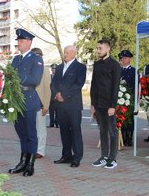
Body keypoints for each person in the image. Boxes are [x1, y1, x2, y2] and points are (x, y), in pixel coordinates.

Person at [9, 28, 44, 177]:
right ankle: (22, 162)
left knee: (31, 134)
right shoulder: (16, 59)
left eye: (22, 41)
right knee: (22, 133)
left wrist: (16, 78)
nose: (19, 43)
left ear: (29, 42)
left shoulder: (36, 59)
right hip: (16, 100)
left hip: (28, 100)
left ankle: (30, 165)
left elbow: (35, 79)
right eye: (18, 40)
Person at [51, 45, 86, 168]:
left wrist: (64, 95)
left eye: (66, 52)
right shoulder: (60, 67)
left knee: (75, 131)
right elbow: (53, 83)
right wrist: (56, 94)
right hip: (61, 106)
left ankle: (76, 158)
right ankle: (66, 156)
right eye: (64, 52)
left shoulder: (80, 67)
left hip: (73, 105)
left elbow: (78, 85)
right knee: (64, 131)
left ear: (73, 54)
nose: (64, 54)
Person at [90, 39, 121, 169]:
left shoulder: (115, 65)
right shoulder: (96, 65)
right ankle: (103, 156)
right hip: (98, 104)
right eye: (97, 48)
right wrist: (92, 104)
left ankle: (112, 158)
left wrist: (113, 106)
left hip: (109, 105)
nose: (98, 51)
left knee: (112, 131)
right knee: (102, 131)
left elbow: (115, 86)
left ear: (108, 49)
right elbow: (93, 85)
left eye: (100, 48)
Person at [31, 47, 51, 158]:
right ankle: (33, 149)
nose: (38, 58)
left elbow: (47, 88)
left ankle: (40, 150)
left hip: (40, 103)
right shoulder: (29, 68)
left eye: (39, 55)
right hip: (29, 103)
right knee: (31, 128)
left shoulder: (45, 69)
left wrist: (46, 105)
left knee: (41, 128)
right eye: (35, 56)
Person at [119, 50, 136, 146]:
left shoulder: (133, 71)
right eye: (122, 58)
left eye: (125, 58)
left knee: (129, 119)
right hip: (120, 98)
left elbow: (135, 86)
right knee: (122, 118)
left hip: (130, 98)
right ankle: (122, 137)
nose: (123, 60)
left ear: (129, 59)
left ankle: (129, 138)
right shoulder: (119, 70)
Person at [48, 63, 59, 128]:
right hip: (50, 96)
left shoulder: (59, 77)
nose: (54, 70)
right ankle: (51, 123)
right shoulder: (49, 77)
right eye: (53, 68)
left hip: (57, 96)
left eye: (55, 69)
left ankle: (57, 123)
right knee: (51, 111)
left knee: (58, 111)